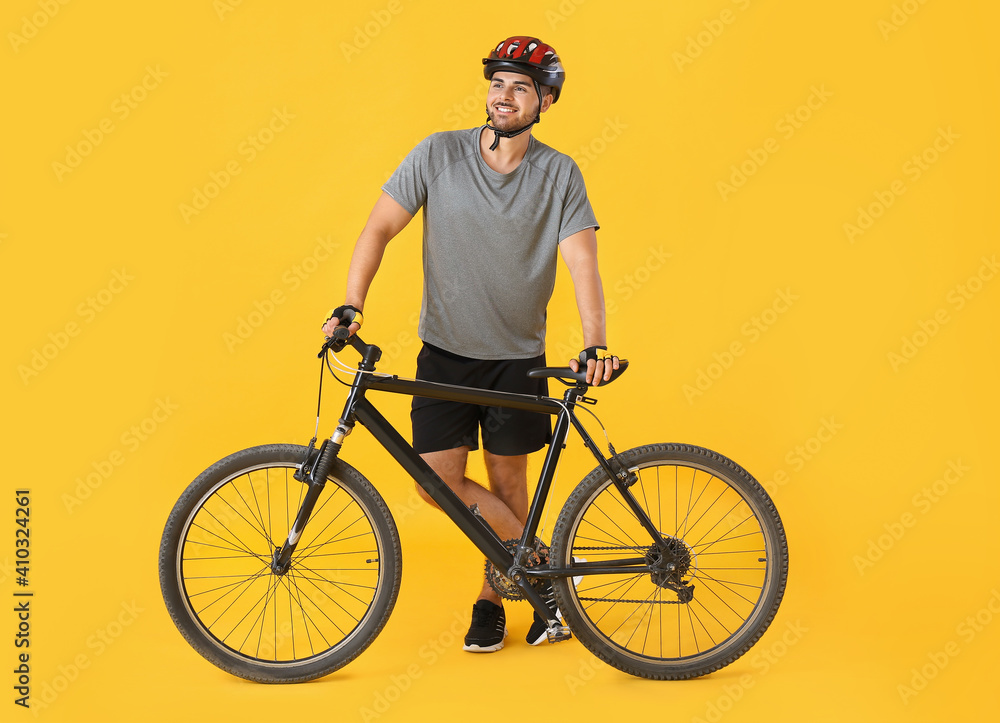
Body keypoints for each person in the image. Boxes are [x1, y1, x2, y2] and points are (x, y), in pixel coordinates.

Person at [322, 35, 619, 653]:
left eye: (520, 87)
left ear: (546, 101)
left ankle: (495, 602)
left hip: (517, 361)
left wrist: (595, 343)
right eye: (497, 84)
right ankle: (545, 581)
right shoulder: (439, 154)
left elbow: (582, 264)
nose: (504, 96)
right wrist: (352, 304)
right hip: (446, 354)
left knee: (508, 489)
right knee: (436, 485)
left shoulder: (559, 174)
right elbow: (378, 228)